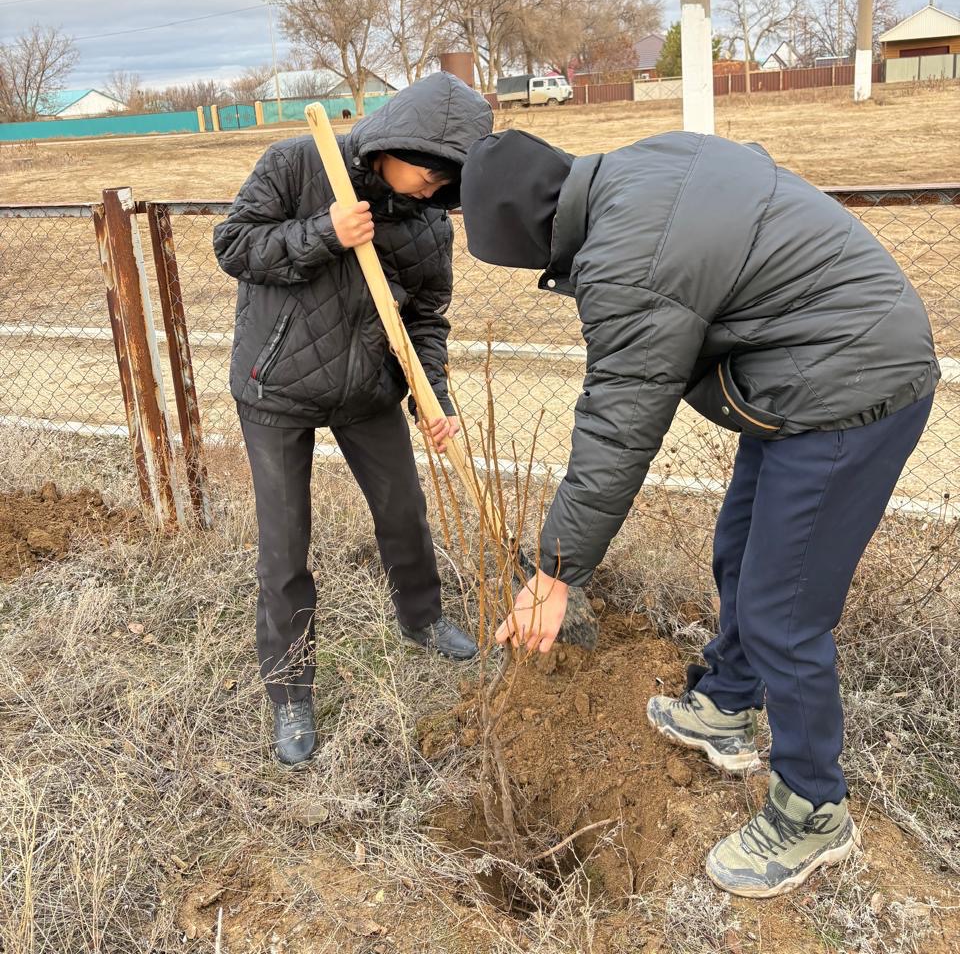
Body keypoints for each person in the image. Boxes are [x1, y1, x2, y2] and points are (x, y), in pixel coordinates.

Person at [459, 128, 939, 899]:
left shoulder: (627, 261)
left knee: (786, 612)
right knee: (740, 550)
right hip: (800, 373)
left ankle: (815, 808)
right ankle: (727, 704)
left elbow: (618, 426)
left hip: (850, 387)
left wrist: (554, 574)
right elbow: (748, 160)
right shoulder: (641, 166)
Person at [214, 73, 493, 766]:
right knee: (286, 544)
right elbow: (234, 245)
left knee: (404, 511)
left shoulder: (428, 223)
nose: (432, 187)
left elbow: (426, 319)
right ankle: (290, 691)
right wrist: (324, 234)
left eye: (446, 178)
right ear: (394, 142)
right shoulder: (300, 163)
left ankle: (422, 619)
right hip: (275, 387)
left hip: (367, 391)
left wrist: (434, 398)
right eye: (427, 168)